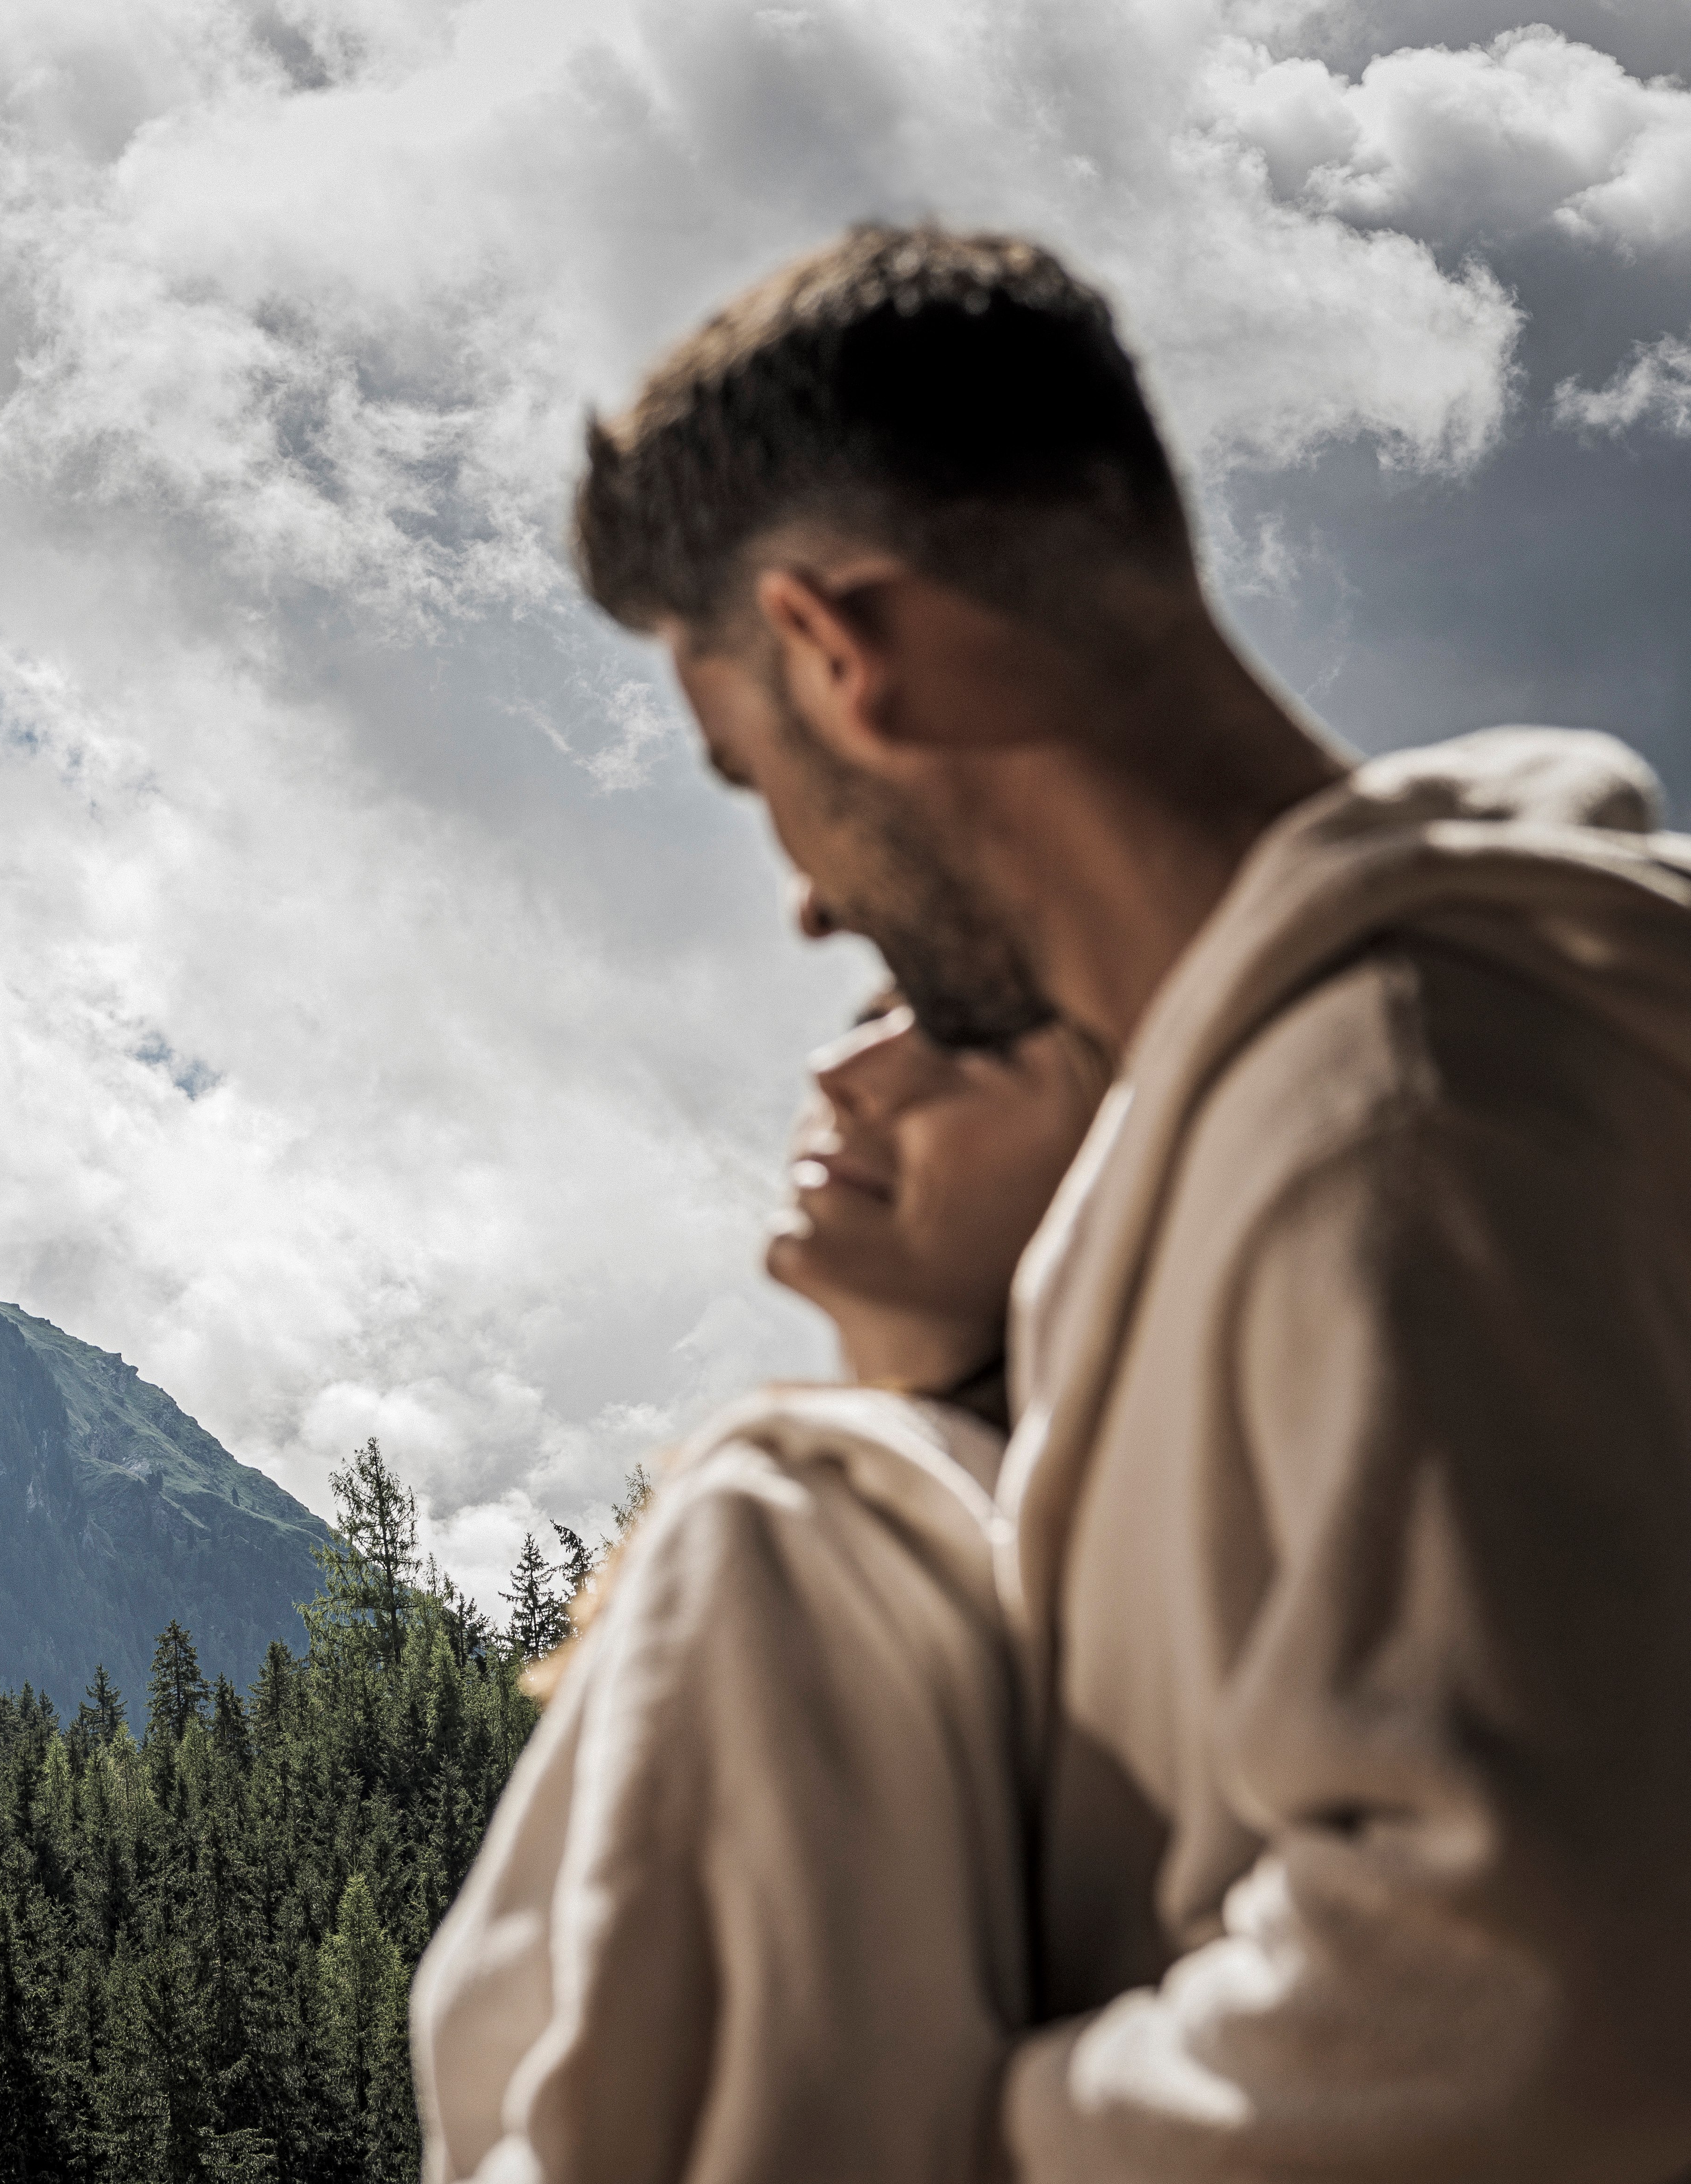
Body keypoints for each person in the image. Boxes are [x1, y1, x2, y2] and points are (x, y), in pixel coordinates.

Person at [566, 221, 1691, 2176]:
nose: (807, 899)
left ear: (839, 653)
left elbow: (1533, 2011)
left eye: (757, 781)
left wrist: (953, 2130)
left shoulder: (1397, 1111)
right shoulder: (1386, 1069)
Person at [412, 996, 1104, 2184]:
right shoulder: (1046, 1569)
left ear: (1119, 1177)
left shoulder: (793, 1523)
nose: (841, 1071)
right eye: (865, 1014)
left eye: (965, 1039)